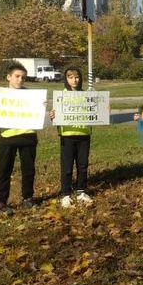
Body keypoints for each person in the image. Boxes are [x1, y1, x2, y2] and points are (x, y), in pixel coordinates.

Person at [0, 62, 40, 215]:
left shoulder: (32, 96)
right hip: (7, 137)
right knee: (4, 170)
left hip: (28, 137)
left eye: (23, 77)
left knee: (29, 170)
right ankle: (1, 202)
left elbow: (37, 111)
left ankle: (28, 198)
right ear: (8, 77)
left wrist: (42, 105)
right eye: (17, 76)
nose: (20, 80)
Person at [48, 66, 93, 208]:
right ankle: (66, 194)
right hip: (67, 135)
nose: (74, 80)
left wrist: (102, 109)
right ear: (66, 79)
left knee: (83, 165)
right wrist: (52, 115)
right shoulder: (61, 95)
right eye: (71, 77)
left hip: (84, 134)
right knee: (67, 167)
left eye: (77, 77)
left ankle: (81, 191)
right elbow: (56, 115)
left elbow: (93, 112)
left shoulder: (87, 95)